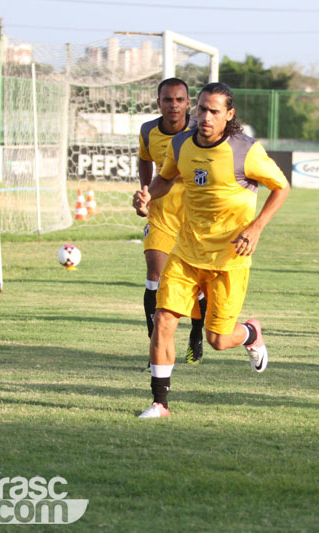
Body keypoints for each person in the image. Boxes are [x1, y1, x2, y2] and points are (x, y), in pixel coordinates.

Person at [132, 82, 290, 418]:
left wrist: (256, 227)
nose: (205, 116)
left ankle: (250, 333)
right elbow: (165, 178)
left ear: (229, 115)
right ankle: (160, 403)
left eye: (214, 111)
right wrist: (148, 194)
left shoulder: (246, 150)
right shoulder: (181, 143)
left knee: (218, 339)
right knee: (163, 318)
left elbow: (281, 186)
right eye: (202, 108)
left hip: (230, 257)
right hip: (187, 252)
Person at [137, 78, 207, 366]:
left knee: (199, 284)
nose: (173, 105)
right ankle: (158, 345)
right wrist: (145, 194)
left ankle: (197, 333)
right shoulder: (147, 131)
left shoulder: (200, 130)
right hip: (162, 213)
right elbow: (144, 159)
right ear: (159, 103)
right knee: (155, 275)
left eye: (179, 99)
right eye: (168, 99)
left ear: (188, 103)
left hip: (194, 216)